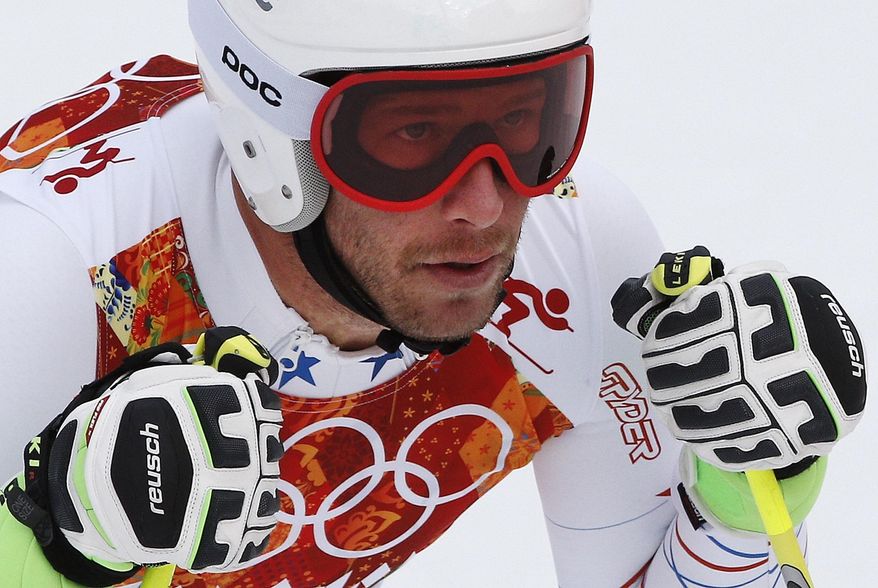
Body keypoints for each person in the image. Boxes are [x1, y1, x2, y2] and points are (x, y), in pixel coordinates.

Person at [0, 0, 866, 586]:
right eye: (414, 135)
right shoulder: (48, 283)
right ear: (275, 140)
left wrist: (746, 491)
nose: (486, 207)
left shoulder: (575, 251)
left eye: (527, 120)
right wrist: (52, 547)